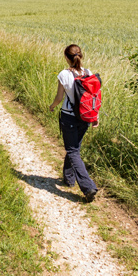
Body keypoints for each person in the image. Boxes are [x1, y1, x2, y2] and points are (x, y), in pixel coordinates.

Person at [48, 44, 99, 202]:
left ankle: (87, 186)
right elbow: (93, 98)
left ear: (66, 57)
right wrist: (94, 117)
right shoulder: (88, 73)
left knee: (72, 151)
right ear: (80, 56)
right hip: (85, 117)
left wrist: (52, 106)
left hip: (69, 116)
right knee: (74, 148)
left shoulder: (64, 74)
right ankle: (68, 179)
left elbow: (59, 98)